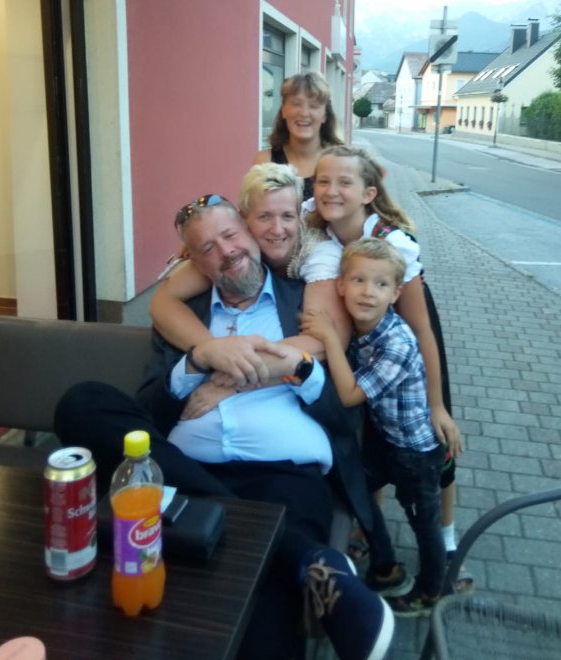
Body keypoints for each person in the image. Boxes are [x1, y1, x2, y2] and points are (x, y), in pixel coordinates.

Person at [55, 196, 393, 660]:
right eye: (208, 247)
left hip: (283, 478)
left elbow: (346, 414)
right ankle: (302, 556)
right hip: (184, 473)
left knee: (266, 610)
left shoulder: (306, 301)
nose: (227, 251)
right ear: (194, 264)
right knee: (81, 402)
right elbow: (149, 410)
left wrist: (295, 368)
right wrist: (199, 359)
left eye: (231, 235)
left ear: (251, 233)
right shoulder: (187, 316)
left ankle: (281, 549)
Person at [302, 144, 469, 577]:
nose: (331, 190)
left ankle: (446, 539)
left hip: (408, 338)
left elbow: (421, 329)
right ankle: (367, 530)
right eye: (323, 181)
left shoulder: (393, 242)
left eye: (344, 182)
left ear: (368, 193)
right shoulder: (312, 217)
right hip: (364, 341)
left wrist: (436, 404)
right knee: (372, 439)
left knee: (435, 441)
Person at [302, 238, 451, 615]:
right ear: (340, 285)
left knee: (424, 524)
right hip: (388, 443)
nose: (368, 292)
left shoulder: (396, 343)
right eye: (359, 280)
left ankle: (431, 591)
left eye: (381, 284)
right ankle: (383, 562)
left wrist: (329, 337)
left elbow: (350, 394)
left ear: (395, 293)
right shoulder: (363, 326)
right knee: (355, 487)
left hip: (416, 455)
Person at [149, 164, 350, 382]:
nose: (277, 229)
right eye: (264, 216)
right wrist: (215, 351)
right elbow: (162, 303)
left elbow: (328, 341)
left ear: (298, 216)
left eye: (288, 216)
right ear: (243, 219)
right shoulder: (232, 250)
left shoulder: (319, 254)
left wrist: (234, 376)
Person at [254, 71, 344, 202]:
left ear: (324, 115)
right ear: (283, 110)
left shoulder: (341, 162)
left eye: (313, 106)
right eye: (296, 104)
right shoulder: (265, 162)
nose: (304, 113)